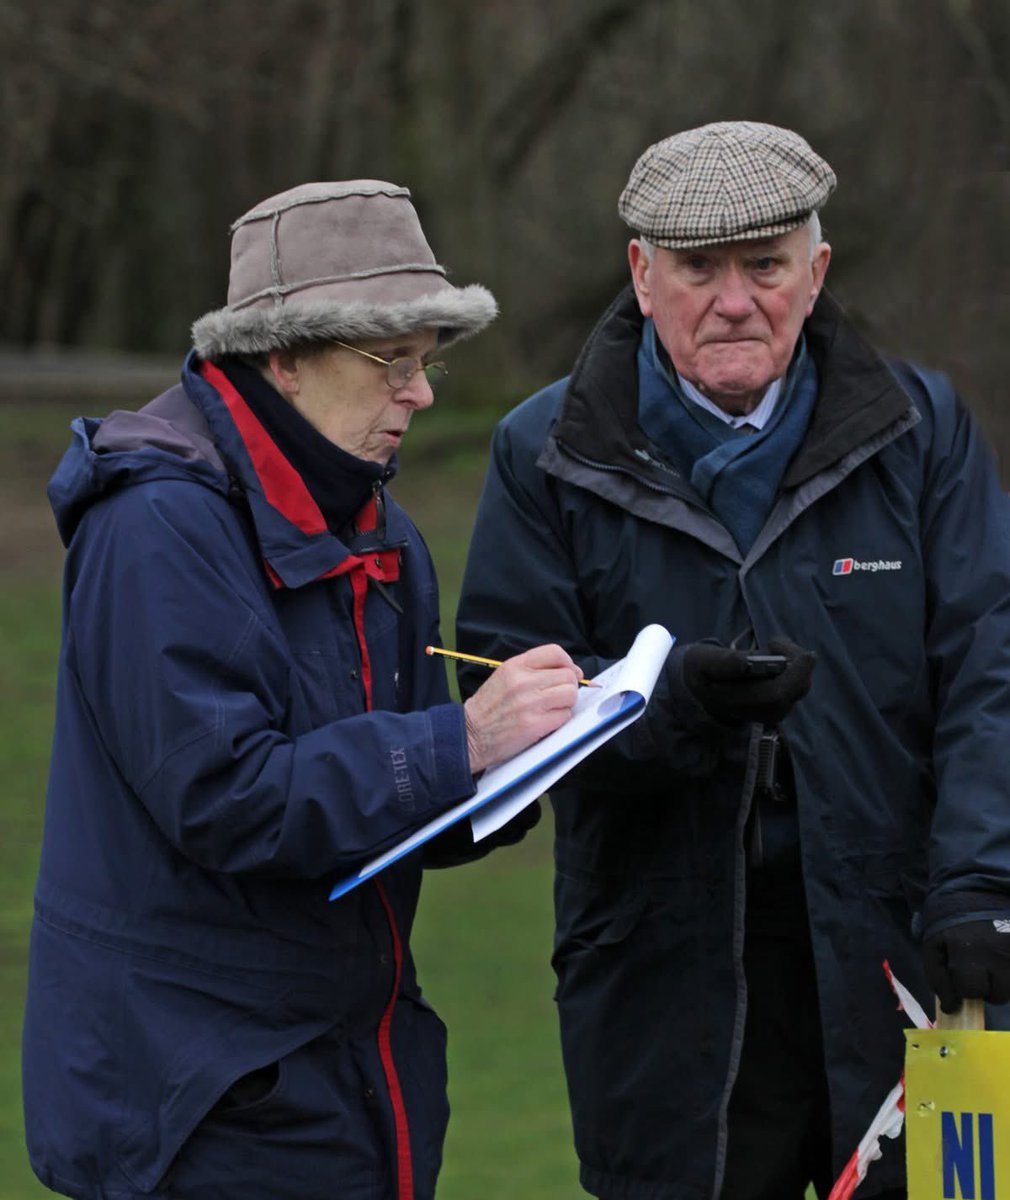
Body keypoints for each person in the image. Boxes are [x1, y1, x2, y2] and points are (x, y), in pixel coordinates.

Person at [454, 121, 1010, 1199]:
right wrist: (668, 709)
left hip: (914, 962)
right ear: (640, 274)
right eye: (698, 268)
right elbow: (499, 703)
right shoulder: (543, 451)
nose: (734, 300)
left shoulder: (922, 429)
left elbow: (988, 671)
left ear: (816, 271)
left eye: (764, 265)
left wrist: (982, 884)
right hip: (663, 982)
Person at [22, 180, 582, 1200]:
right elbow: (228, 799)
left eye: (426, 361)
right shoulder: (157, 525)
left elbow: (389, 809)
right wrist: (460, 743)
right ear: (281, 358)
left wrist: (540, 754)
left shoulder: (378, 529)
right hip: (202, 1104)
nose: (420, 394)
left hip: (354, 1078)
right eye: (390, 362)